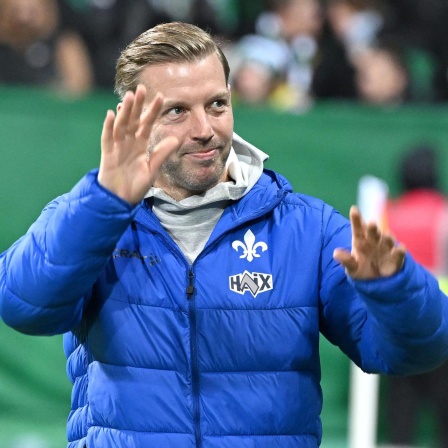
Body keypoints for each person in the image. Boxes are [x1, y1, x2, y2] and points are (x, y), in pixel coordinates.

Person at [1, 22, 448, 448]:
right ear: (131, 119)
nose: (205, 130)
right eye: (177, 111)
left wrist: (394, 289)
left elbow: (417, 351)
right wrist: (104, 203)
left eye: (216, 104)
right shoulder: (91, 219)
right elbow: (24, 304)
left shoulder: (306, 229)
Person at [384, 145, 448, 447]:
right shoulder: (444, 213)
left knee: (401, 398)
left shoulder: (390, 215)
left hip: (400, 320)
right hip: (441, 318)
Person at [0, 0, 93, 96]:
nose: (24, 18)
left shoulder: (64, 43)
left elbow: (78, 88)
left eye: (31, 11)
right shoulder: (3, 48)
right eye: (16, 11)